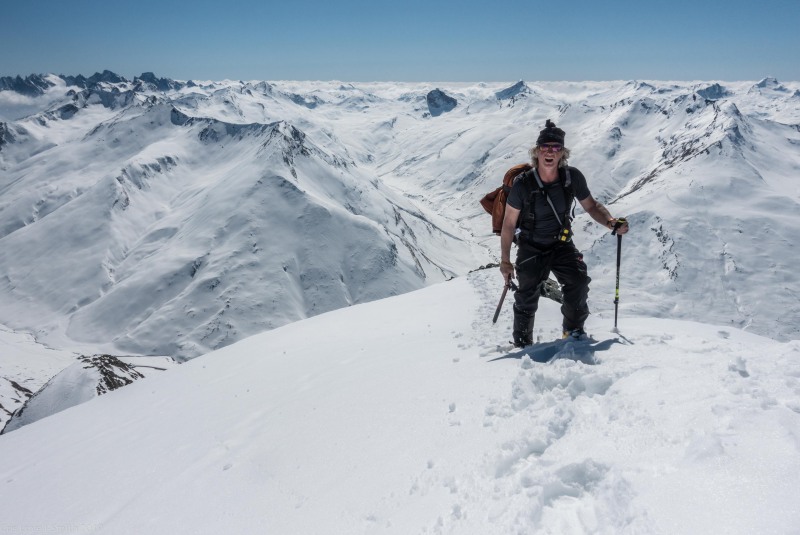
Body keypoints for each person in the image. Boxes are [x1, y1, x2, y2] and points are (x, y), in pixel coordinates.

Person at [499, 119, 629, 346]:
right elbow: (509, 224)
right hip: (531, 245)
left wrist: (610, 222)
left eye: (556, 148)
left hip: (561, 244)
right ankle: (522, 343)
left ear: (562, 154)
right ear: (537, 152)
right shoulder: (523, 184)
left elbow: (591, 206)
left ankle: (573, 334)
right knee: (526, 296)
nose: (550, 151)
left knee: (578, 283)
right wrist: (505, 261)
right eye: (545, 147)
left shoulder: (572, 178)